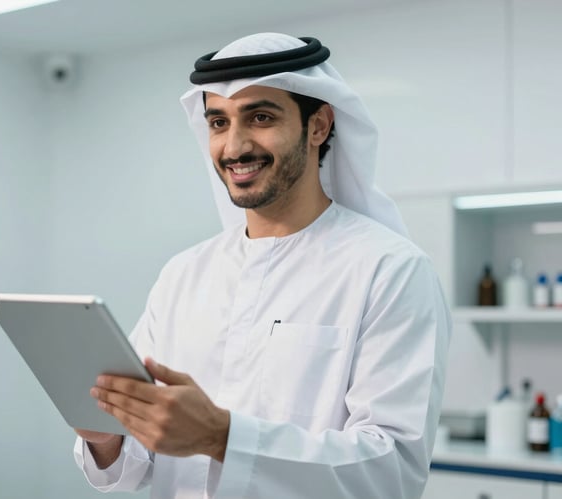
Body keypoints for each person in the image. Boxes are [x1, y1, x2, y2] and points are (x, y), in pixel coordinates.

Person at [73, 32, 451, 499]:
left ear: (318, 126)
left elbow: (390, 470)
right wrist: (108, 437)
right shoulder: (182, 275)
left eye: (261, 117)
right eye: (218, 122)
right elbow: (140, 463)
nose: (234, 147)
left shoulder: (391, 271)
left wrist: (221, 436)